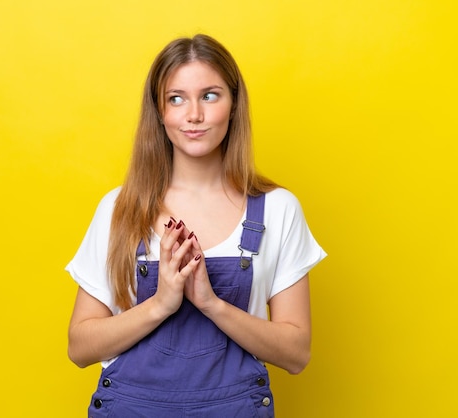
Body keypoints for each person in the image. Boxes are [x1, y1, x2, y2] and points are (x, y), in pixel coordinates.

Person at [66, 34, 326, 417]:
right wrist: (160, 305)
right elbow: (79, 348)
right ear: (159, 112)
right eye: (176, 98)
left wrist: (210, 303)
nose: (194, 115)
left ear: (234, 105)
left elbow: (296, 353)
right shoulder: (119, 209)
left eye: (210, 95)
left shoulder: (277, 210)